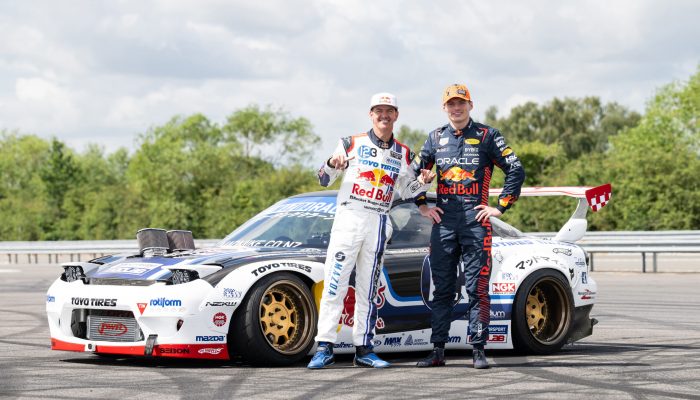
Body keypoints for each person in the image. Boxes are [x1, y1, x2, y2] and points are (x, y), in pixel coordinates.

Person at [308, 92, 435, 369]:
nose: (384, 116)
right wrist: (332, 164)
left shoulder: (403, 153)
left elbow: (407, 191)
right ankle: (325, 346)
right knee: (334, 285)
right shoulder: (350, 143)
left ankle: (364, 348)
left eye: (389, 111)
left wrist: (424, 182)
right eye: (378, 111)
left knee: (368, 288)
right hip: (349, 218)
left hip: (378, 221)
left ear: (396, 115)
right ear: (370, 114)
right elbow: (322, 179)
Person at [412, 83, 525, 369]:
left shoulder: (488, 135)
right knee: (443, 290)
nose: (456, 108)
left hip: (476, 220)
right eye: (451, 104)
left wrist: (500, 207)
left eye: (461, 103)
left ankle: (478, 350)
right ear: (444, 108)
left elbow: (516, 168)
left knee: (477, 288)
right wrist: (422, 204)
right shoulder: (434, 138)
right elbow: (410, 174)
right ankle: (438, 350)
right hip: (445, 220)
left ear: (470, 105)